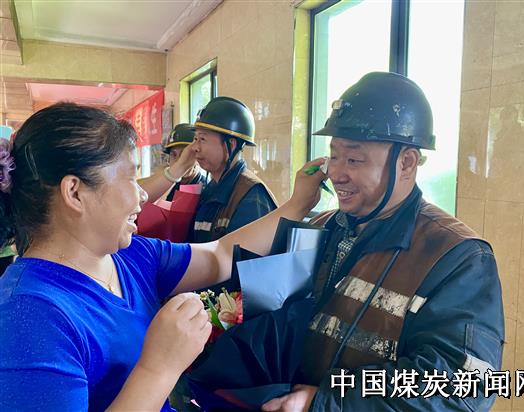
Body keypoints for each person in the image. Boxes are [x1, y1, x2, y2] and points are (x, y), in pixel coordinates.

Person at [0, 102, 325, 412]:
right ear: (74, 192)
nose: (142, 194)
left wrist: (297, 205)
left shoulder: (130, 255)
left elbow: (220, 254)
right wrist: (159, 367)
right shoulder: (28, 315)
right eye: (130, 176)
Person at [261, 72, 505, 412]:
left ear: (406, 163)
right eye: (334, 156)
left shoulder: (458, 256)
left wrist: (325, 403)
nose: (336, 173)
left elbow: (460, 386)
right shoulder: (321, 226)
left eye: (354, 159)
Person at [189, 96, 278, 242]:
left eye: (202, 139)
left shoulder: (252, 197)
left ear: (231, 145)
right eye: (195, 139)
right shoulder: (211, 189)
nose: (195, 148)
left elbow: (242, 255)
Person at [139, 123, 207, 203]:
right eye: (174, 155)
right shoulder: (167, 183)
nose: (179, 160)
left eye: (184, 154)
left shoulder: (206, 190)